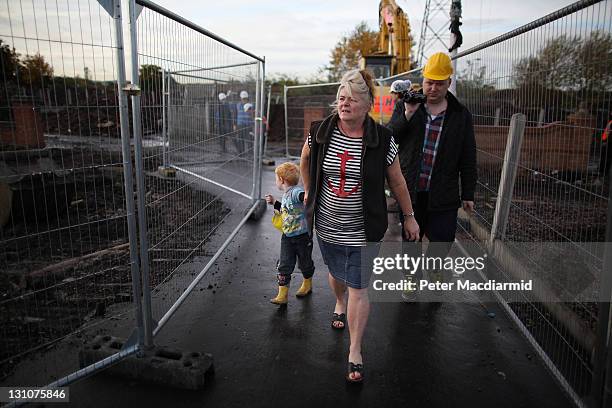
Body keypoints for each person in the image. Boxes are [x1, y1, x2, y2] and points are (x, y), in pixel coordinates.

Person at [300, 69, 419, 383]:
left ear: (367, 105)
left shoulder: (382, 140)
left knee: (360, 288)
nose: (344, 104)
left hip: (364, 230)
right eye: (341, 98)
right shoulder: (320, 131)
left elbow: (398, 182)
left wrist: (409, 216)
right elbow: (305, 160)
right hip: (326, 226)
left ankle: (355, 349)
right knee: (338, 276)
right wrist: (310, 193)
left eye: (352, 99)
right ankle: (338, 302)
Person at [389, 52, 477, 299]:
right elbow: (390, 137)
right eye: (429, 82)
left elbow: (468, 155)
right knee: (411, 240)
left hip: (444, 191)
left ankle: (435, 269)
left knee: (443, 238)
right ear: (423, 79)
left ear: (449, 82)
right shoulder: (408, 105)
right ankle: (410, 280)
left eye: (439, 83)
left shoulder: (460, 115)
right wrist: (407, 113)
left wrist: (468, 192)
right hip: (412, 191)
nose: (433, 88)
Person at [265, 162, 314, 305]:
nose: (276, 182)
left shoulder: (295, 192)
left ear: (281, 179)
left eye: (276, 179)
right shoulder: (286, 195)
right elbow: (286, 210)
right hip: (287, 237)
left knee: (305, 263)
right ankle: (282, 295)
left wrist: (306, 197)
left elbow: (303, 196)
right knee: (284, 264)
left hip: (302, 237)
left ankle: (307, 283)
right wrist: (274, 202)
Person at [234, 90, 251, 157]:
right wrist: (235, 125)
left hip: (248, 125)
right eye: (243, 99)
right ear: (241, 98)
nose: (244, 100)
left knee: (249, 140)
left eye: (245, 98)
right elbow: (235, 115)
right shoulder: (238, 105)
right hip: (240, 125)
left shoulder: (250, 106)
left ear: (247, 98)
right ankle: (241, 153)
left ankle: (250, 153)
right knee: (241, 139)